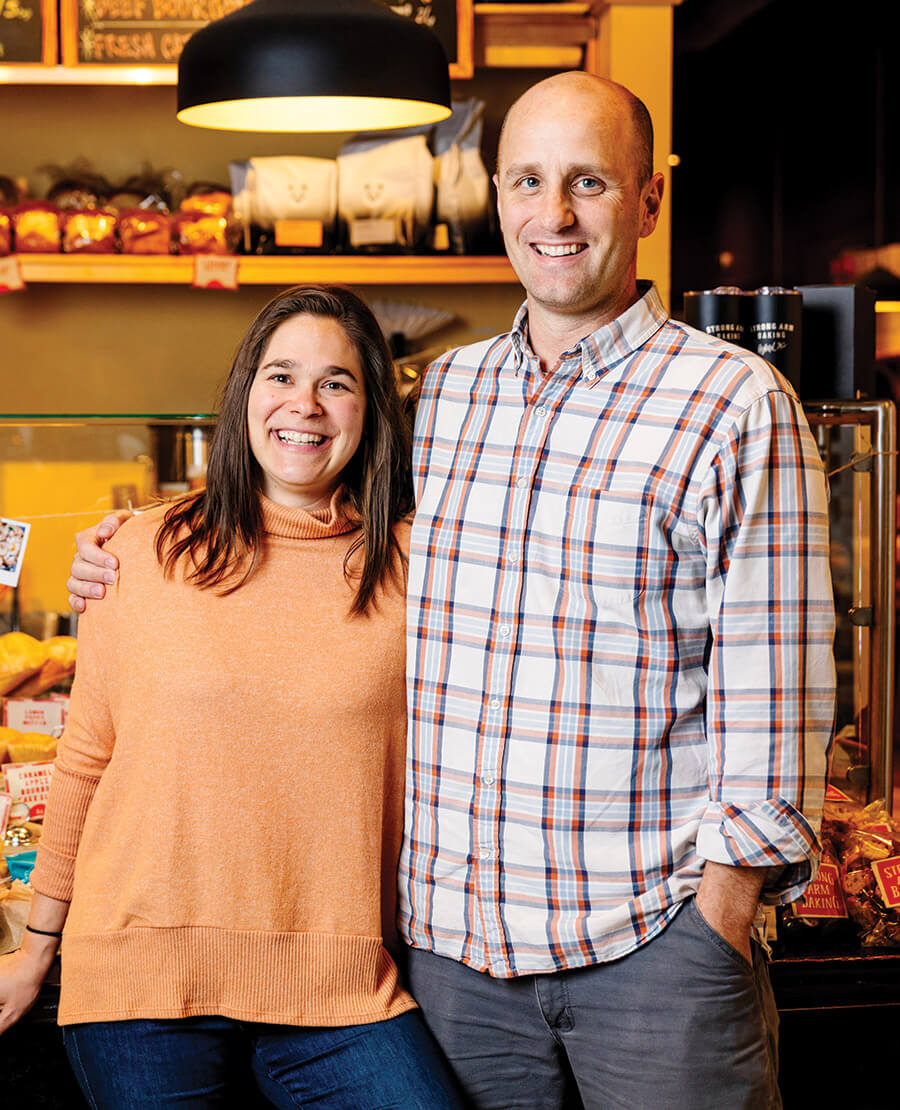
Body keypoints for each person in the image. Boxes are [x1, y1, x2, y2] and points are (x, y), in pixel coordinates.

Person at [66, 73, 835, 1110]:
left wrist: (722, 916)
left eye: (589, 182)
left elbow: (774, 687)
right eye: (528, 180)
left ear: (648, 202)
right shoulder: (453, 395)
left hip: (649, 945)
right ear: (497, 195)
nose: (553, 214)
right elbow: (307, 503)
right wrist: (142, 540)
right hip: (458, 957)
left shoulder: (736, 403)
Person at [0, 285, 463, 1110]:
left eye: (337, 383)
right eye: (281, 376)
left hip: (338, 985)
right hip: (140, 979)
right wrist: (37, 948)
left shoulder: (420, 568)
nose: (305, 406)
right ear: (244, 393)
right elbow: (85, 757)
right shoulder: (141, 551)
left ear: (371, 411)